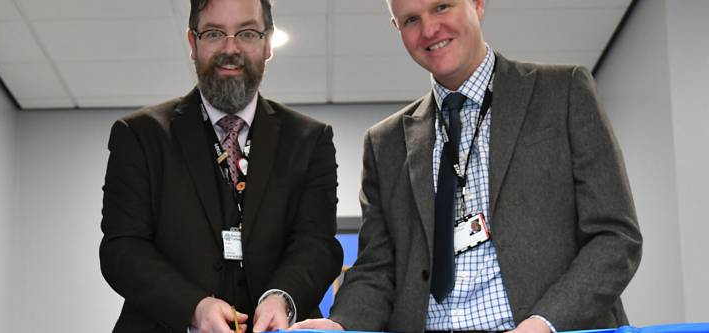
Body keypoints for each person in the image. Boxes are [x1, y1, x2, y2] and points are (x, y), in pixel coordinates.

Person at [292, 0, 642, 332]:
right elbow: (377, 268)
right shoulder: (385, 143)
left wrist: (543, 323)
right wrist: (341, 324)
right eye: (411, 19)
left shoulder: (562, 92)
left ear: (477, 3)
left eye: (442, 6)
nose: (429, 28)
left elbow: (615, 237)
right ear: (397, 27)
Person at [98, 0, 343, 332]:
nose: (231, 49)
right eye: (214, 33)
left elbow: (318, 243)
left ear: (268, 43)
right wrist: (193, 307)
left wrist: (282, 297)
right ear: (192, 43)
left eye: (247, 33)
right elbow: (122, 249)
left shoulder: (310, 139)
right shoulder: (140, 136)